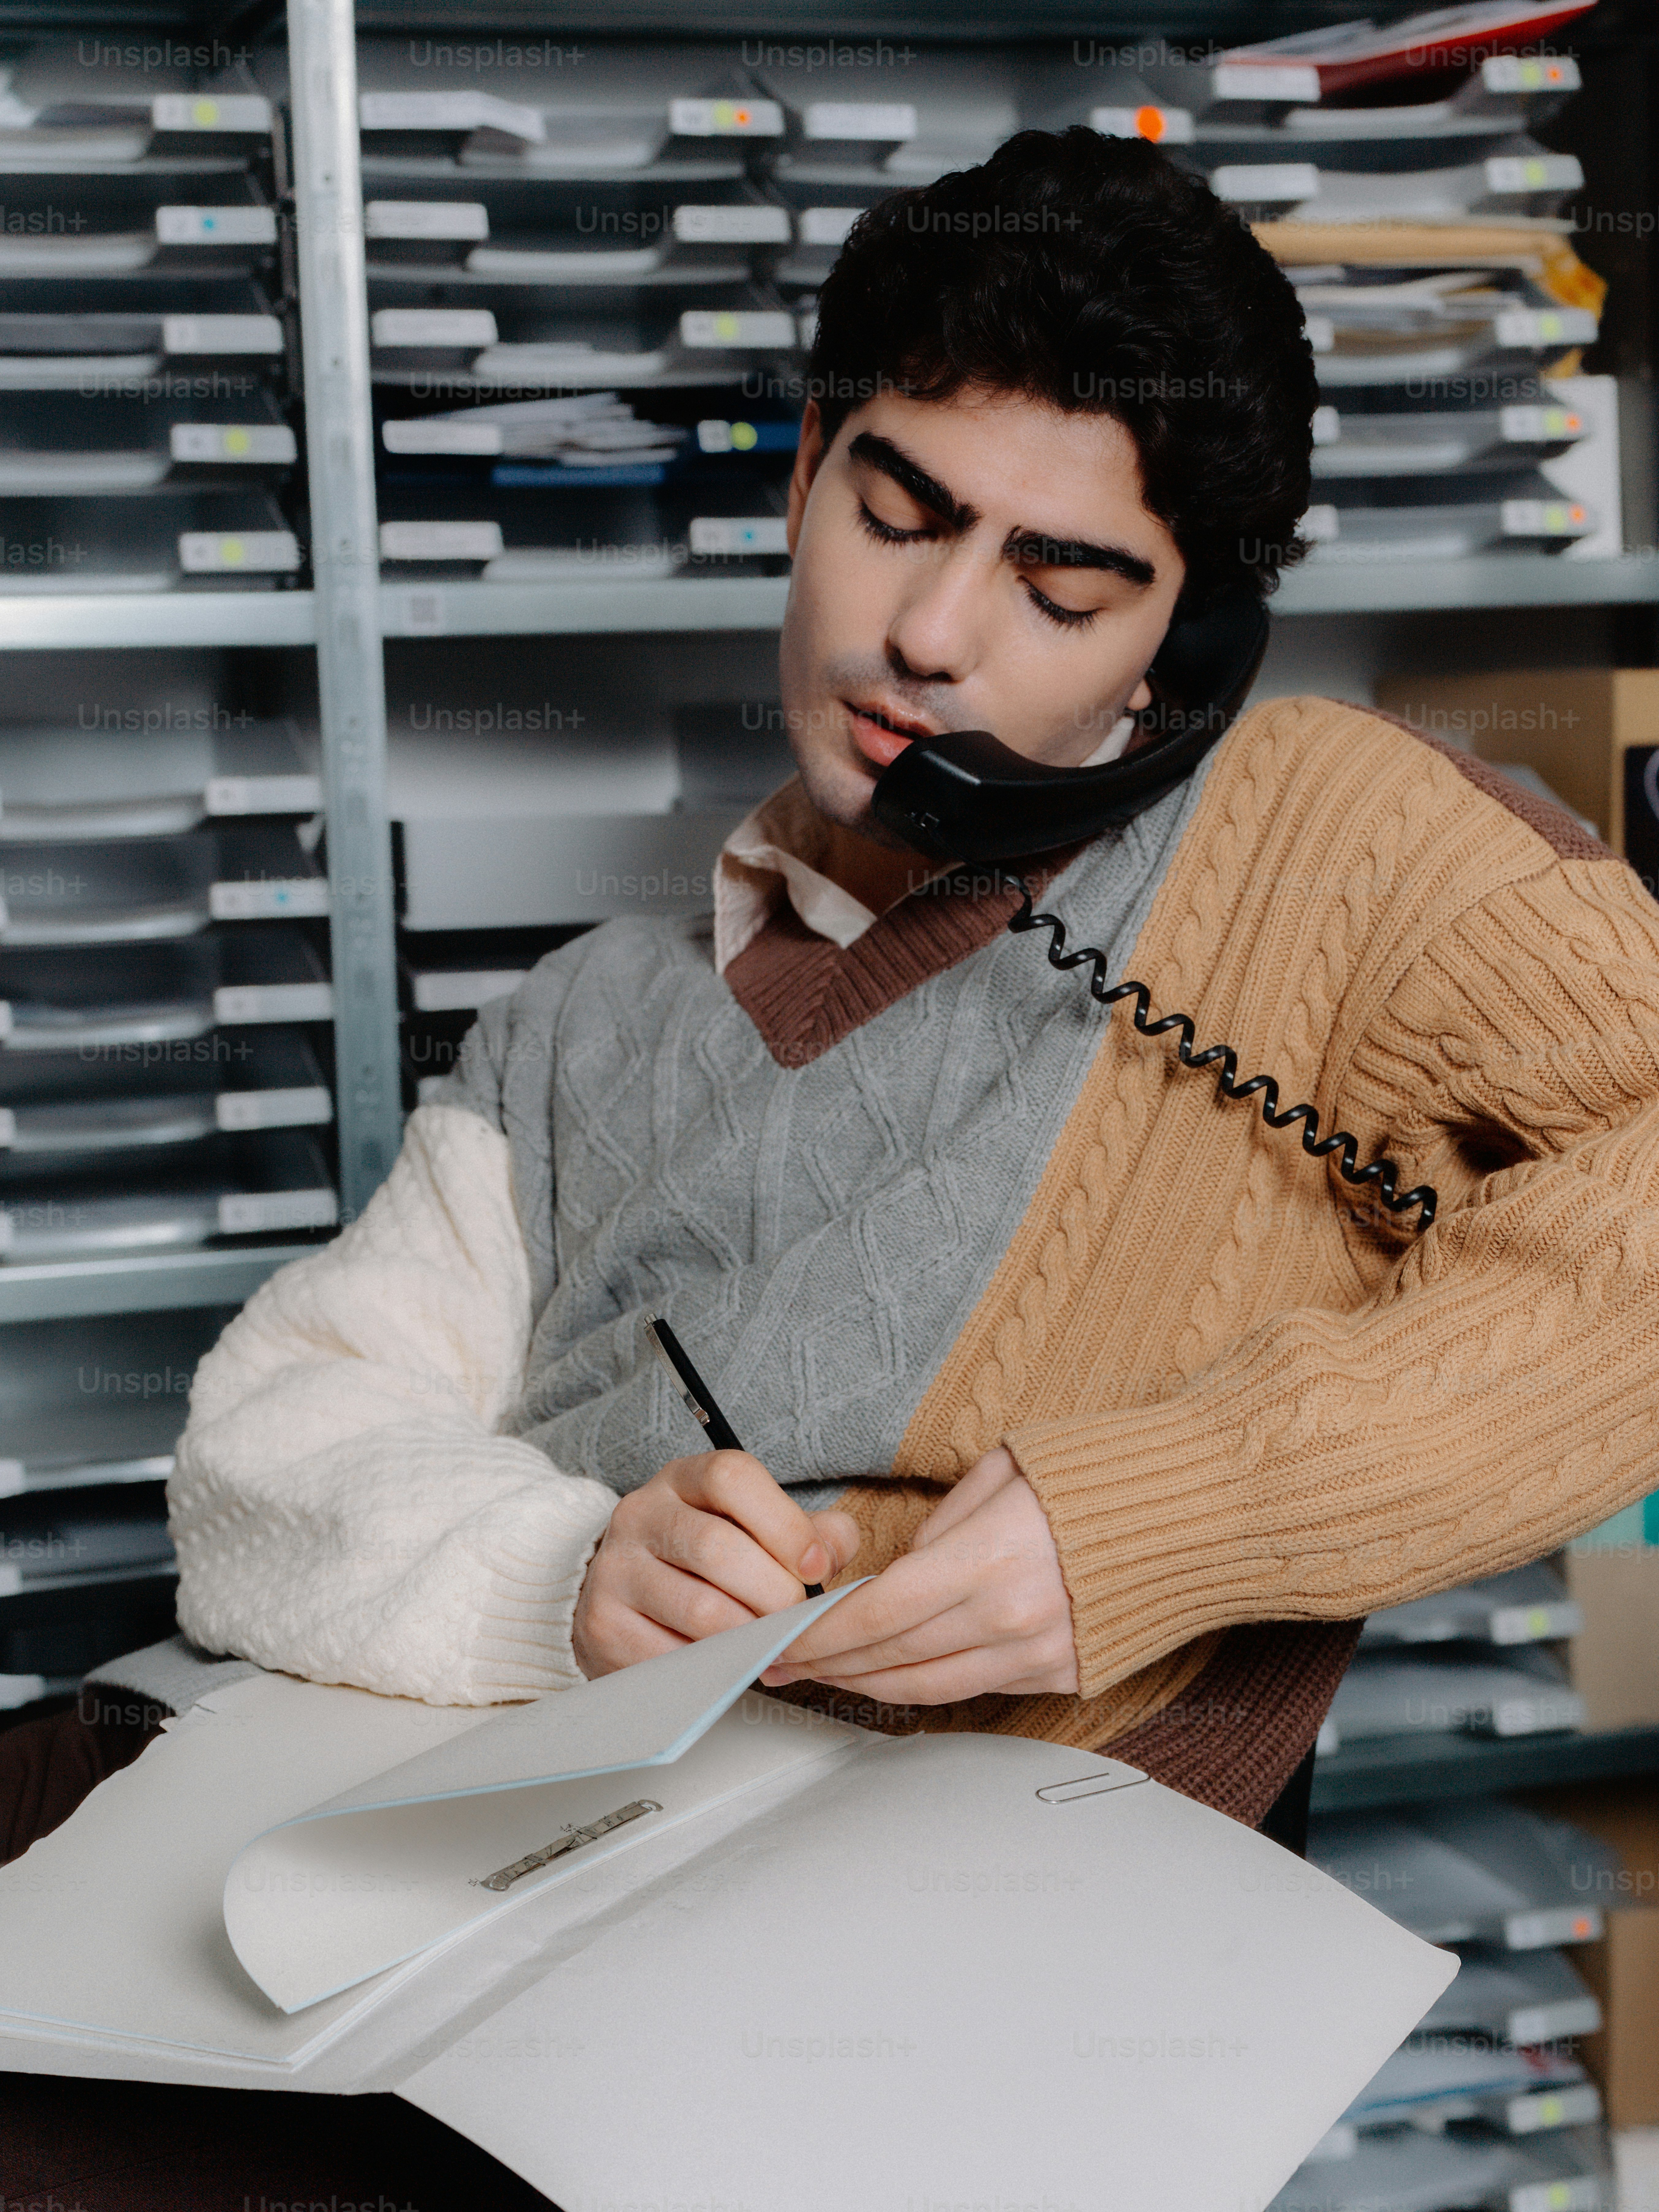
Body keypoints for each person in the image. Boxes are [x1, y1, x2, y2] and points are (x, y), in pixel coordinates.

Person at [8, 126, 1659, 1870]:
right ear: (803, 471)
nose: (930, 633)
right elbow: (275, 1447)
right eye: (898, 514)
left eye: (1059, 585)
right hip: (544, 1893)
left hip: (1022, 1944)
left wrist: (1166, 1518)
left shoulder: (1322, 843)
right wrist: (563, 1581)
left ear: (1181, 651)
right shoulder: (582, 1018)